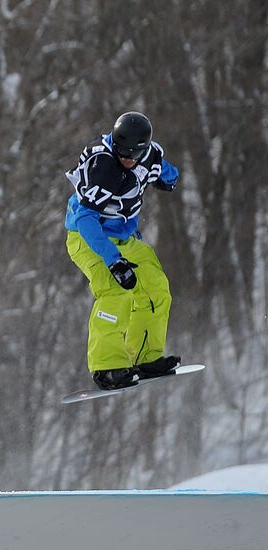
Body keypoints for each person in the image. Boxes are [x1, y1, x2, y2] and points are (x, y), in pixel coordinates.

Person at [64, 111, 181, 390]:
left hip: (124, 238)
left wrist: (166, 178)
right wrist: (113, 261)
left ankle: (145, 356)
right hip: (89, 238)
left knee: (155, 286)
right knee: (116, 291)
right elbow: (85, 219)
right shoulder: (103, 166)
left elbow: (168, 172)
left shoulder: (148, 156)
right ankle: (106, 367)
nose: (127, 159)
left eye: (133, 154)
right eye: (122, 152)